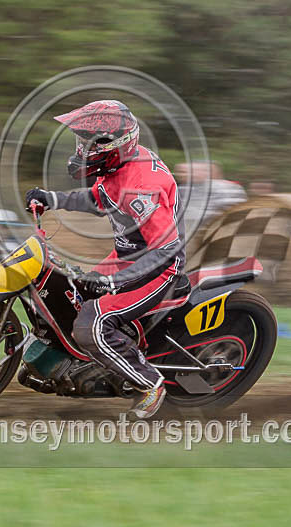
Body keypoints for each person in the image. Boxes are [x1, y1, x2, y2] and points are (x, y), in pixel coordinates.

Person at [26, 100, 185, 419]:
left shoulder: (142, 189)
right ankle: (89, 364)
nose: (81, 149)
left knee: (91, 322)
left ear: (114, 146)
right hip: (125, 258)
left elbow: (167, 249)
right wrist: (52, 199)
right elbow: (101, 199)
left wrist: (115, 280)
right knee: (70, 293)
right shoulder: (116, 169)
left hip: (157, 270)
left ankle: (151, 384)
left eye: (89, 144)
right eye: (80, 142)